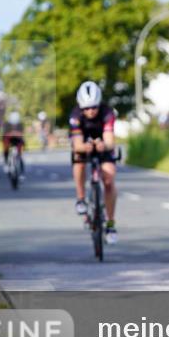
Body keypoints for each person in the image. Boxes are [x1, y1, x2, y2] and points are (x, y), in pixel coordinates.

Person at [69, 81, 119, 244]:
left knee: (109, 180)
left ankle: (110, 224)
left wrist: (104, 145)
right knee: (78, 159)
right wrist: (85, 147)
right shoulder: (75, 116)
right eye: (86, 108)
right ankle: (81, 198)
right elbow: (77, 144)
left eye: (94, 107)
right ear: (80, 107)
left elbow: (110, 140)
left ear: (99, 104)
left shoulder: (107, 113)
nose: (90, 111)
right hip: (84, 145)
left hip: (103, 144)